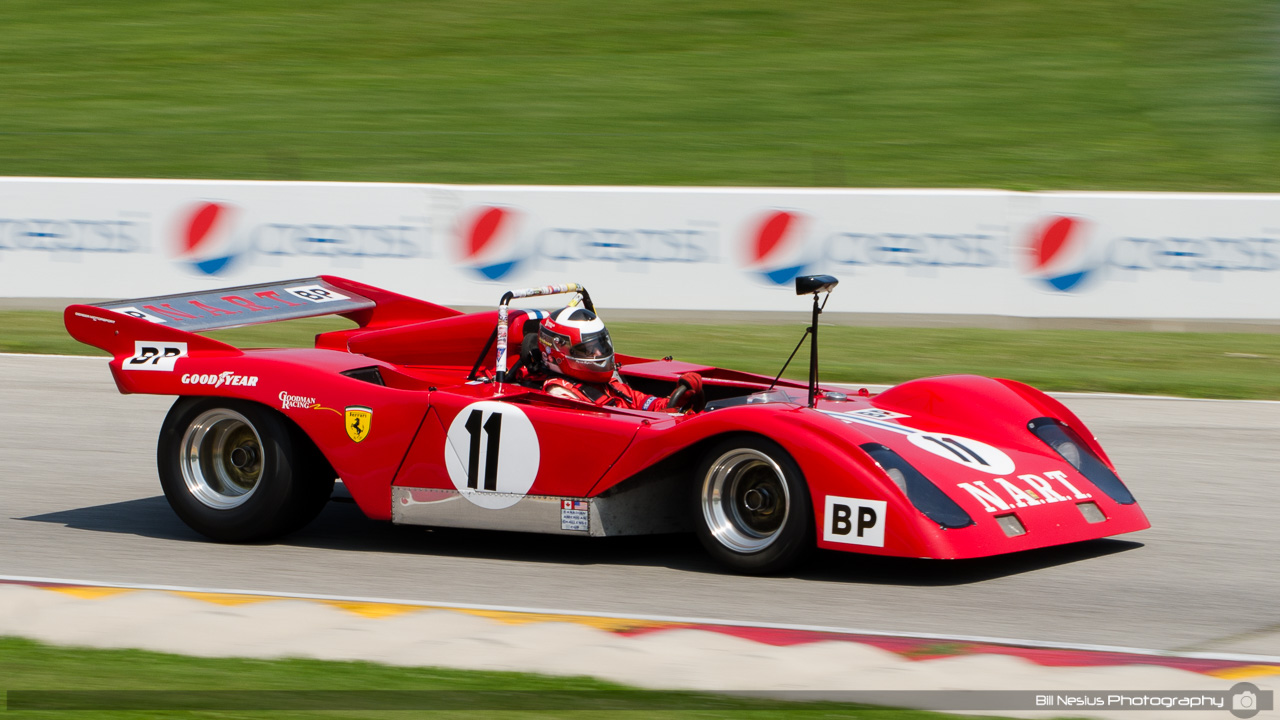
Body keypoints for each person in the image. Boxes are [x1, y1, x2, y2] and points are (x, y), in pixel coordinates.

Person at [533, 305, 703, 412]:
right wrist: (659, 422)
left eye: (600, 346)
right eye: (589, 350)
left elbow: (641, 402)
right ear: (558, 351)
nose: (599, 354)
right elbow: (599, 428)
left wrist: (674, 401)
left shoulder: (608, 384)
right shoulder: (560, 395)